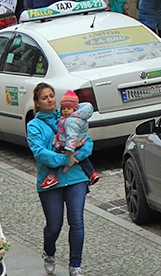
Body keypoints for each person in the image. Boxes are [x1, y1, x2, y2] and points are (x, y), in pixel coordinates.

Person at [27, 82, 91, 276]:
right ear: (37, 102)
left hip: (75, 177)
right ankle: (49, 252)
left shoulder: (69, 115)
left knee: (77, 221)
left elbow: (87, 142)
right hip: (50, 181)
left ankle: (75, 266)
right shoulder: (34, 125)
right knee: (54, 225)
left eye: (52, 95)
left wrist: (76, 158)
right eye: (45, 97)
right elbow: (40, 153)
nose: (50, 100)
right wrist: (64, 159)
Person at [40, 91, 100, 190]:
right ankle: (92, 173)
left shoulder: (71, 121)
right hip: (78, 143)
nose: (65, 111)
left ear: (75, 109)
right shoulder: (72, 118)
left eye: (68, 108)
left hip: (69, 145)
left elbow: (72, 136)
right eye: (64, 109)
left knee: (57, 154)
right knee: (84, 161)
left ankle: (51, 177)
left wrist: (69, 150)